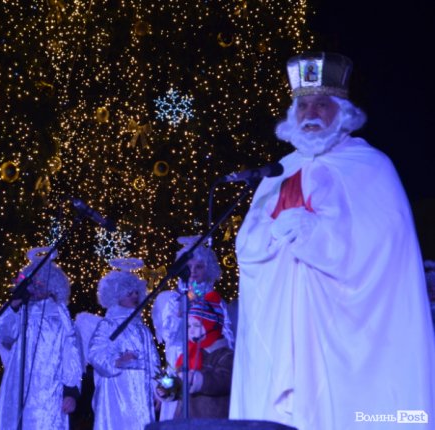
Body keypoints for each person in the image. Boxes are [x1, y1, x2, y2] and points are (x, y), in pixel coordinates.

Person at [230, 52, 435, 429]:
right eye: (303, 104)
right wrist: (269, 238)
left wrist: (313, 234)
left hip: (343, 328)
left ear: (341, 111)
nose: (311, 113)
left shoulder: (371, 166)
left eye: (322, 104)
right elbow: (247, 248)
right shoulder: (278, 172)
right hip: (283, 324)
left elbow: (383, 247)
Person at [0, 248, 83, 430]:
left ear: (52, 287)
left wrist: (70, 391)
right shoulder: (21, 310)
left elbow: (71, 352)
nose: (35, 289)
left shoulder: (59, 315)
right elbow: (3, 332)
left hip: (48, 388)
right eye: (32, 284)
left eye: (40, 285)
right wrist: (14, 306)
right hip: (18, 383)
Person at [151, 236, 232, 421]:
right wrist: (182, 308)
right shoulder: (173, 300)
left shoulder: (216, 300)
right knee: (176, 412)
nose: (193, 272)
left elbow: (226, 334)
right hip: (180, 358)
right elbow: (168, 335)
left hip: (208, 359)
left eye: (199, 267)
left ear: (208, 268)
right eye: (188, 267)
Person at [88, 258, 160, 430]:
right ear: (117, 296)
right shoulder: (109, 324)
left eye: (137, 293)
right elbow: (95, 353)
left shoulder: (143, 329)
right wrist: (117, 361)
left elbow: (154, 361)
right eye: (130, 294)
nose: (135, 297)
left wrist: (157, 387)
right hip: (116, 388)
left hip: (141, 390)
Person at [156, 291, 233, 419]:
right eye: (189, 325)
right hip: (185, 419)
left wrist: (198, 379)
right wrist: (168, 389)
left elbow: (224, 381)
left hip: (210, 420)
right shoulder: (189, 353)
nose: (191, 330)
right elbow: (179, 381)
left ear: (211, 327)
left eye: (197, 325)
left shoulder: (225, 355)